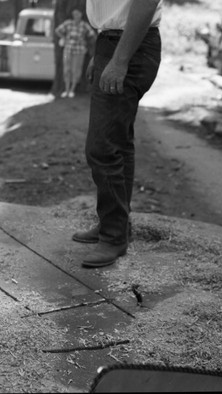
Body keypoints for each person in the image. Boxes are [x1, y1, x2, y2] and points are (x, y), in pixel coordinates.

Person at [72, 0, 162, 267]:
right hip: (112, 42)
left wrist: (119, 59)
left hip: (129, 45)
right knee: (119, 144)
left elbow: (145, 4)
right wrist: (100, 56)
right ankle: (116, 227)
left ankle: (113, 237)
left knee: (102, 148)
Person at [55, 8, 95, 98]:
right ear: (72, 14)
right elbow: (57, 30)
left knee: (76, 70)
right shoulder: (68, 23)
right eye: (75, 13)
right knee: (66, 69)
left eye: (78, 13)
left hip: (80, 51)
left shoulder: (84, 25)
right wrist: (64, 37)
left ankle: (72, 90)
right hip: (67, 50)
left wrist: (85, 42)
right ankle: (66, 89)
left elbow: (92, 35)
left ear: (81, 14)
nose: (76, 15)